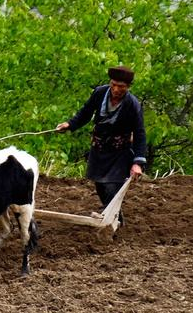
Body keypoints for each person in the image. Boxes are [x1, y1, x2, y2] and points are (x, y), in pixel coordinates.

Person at [56, 66, 147, 222]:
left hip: (120, 151)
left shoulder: (133, 104)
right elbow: (85, 113)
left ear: (128, 87)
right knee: (100, 185)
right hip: (99, 147)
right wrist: (70, 125)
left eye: (121, 87)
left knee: (112, 187)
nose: (116, 89)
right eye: (113, 85)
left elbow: (139, 133)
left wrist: (138, 162)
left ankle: (115, 219)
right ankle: (111, 214)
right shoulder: (99, 93)